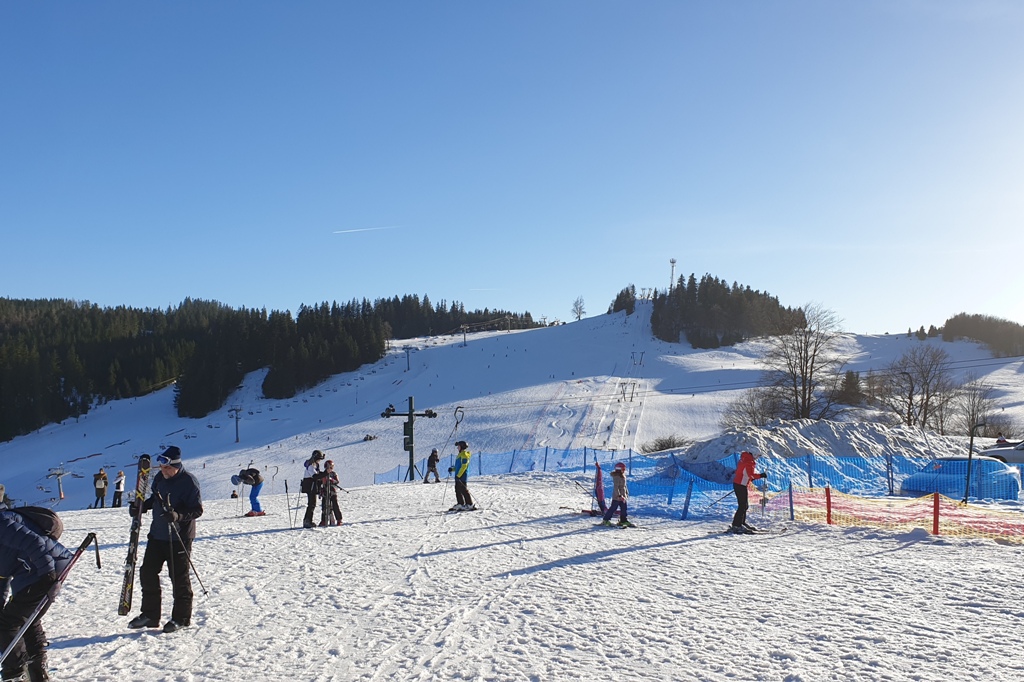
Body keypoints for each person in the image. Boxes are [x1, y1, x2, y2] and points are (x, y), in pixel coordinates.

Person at [0, 483, 73, 682]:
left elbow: (36, 544)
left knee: (8, 623)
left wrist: (48, 577)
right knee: (24, 619)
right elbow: (2, 576)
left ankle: (14, 674)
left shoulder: (2, 522)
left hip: (48, 568)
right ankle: (36, 672)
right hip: (33, 572)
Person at [127, 446, 203, 634]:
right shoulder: (160, 479)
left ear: (176, 466)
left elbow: (197, 510)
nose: (163, 471)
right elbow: (156, 498)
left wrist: (178, 515)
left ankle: (181, 618)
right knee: (147, 573)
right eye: (161, 468)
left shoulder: (189, 482)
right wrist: (141, 507)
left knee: (179, 578)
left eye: (167, 468)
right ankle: (150, 615)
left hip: (179, 537)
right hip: (157, 535)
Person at [731, 449, 767, 534]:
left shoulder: (744, 459)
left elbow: (744, 473)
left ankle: (741, 523)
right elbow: (751, 474)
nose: (757, 458)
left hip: (739, 484)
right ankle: (737, 525)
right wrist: (761, 475)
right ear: (754, 454)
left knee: (744, 505)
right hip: (741, 485)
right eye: (757, 456)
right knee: (742, 506)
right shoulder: (749, 462)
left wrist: (748, 478)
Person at [600, 462, 633, 527]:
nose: (624, 470)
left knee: (624, 508)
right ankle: (605, 520)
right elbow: (616, 487)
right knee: (613, 508)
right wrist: (619, 496)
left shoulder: (622, 476)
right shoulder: (617, 477)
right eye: (623, 469)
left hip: (623, 496)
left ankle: (623, 520)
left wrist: (626, 493)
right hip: (617, 497)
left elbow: (624, 486)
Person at [301, 450, 325, 529]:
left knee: (312, 504)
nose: (319, 460)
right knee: (312, 503)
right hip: (310, 486)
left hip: (312, 486)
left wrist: (325, 474)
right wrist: (325, 473)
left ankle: (308, 520)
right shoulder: (311, 465)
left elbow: (317, 474)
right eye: (319, 459)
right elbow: (314, 476)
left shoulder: (314, 465)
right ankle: (307, 521)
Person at [314, 460, 343, 527]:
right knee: (324, 506)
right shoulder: (323, 474)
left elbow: (337, 481)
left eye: (331, 467)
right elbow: (319, 482)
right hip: (325, 491)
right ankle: (323, 520)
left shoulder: (333, 474)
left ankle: (339, 519)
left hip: (332, 491)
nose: (329, 469)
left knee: (335, 505)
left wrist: (331, 480)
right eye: (328, 467)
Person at [449, 440, 474, 511]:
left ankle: (469, 504)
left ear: (462, 447)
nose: (457, 448)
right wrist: (452, 469)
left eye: (458, 446)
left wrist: (459, 475)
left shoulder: (464, 455)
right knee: (457, 489)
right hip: (458, 475)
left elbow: (464, 466)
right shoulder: (459, 455)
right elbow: (458, 467)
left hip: (462, 476)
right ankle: (460, 503)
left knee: (463, 489)